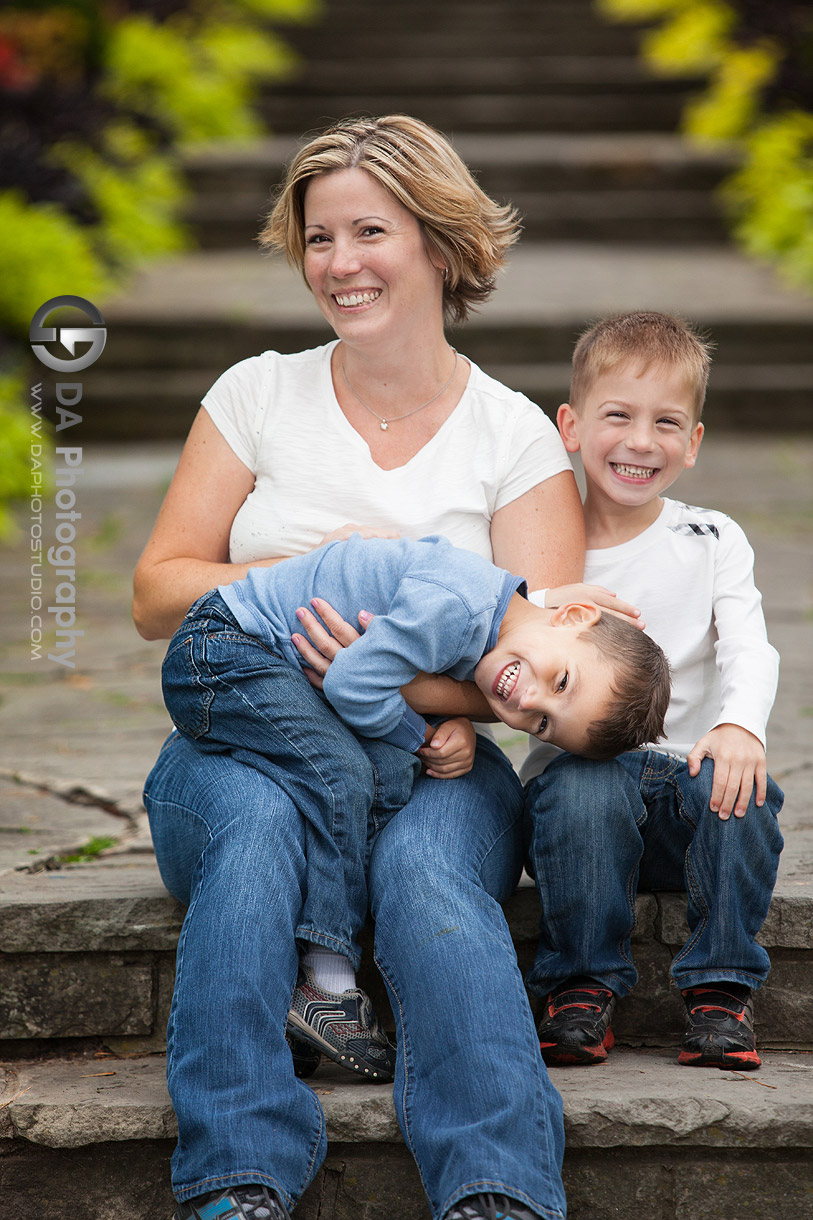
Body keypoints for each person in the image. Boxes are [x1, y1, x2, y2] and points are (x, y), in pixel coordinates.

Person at [135, 113, 592, 1220]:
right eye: (318, 237)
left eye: (368, 232)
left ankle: (498, 1188)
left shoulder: (514, 436)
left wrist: (392, 683)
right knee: (254, 833)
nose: (338, 264)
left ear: (438, 243)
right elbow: (157, 592)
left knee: (429, 880)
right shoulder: (257, 395)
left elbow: (532, 673)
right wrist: (318, 580)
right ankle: (235, 1175)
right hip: (238, 740)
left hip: (435, 764)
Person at [162, 533, 670, 1080]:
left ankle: (301, 976)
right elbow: (354, 683)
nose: (527, 702)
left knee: (381, 776)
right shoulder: (456, 606)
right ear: (571, 614)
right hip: (224, 652)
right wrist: (418, 734)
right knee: (343, 776)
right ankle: (326, 983)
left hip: (264, 668)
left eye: (543, 724)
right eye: (561, 681)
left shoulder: (489, 621)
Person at [521, 311, 785, 1072]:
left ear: (692, 442)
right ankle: (579, 987)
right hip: (578, 800)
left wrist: (739, 727)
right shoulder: (541, 542)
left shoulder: (709, 537)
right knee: (583, 791)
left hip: (689, 791)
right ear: (569, 426)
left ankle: (720, 991)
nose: (640, 441)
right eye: (617, 416)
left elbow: (747, 644)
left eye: (666, 422)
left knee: (740, 790)